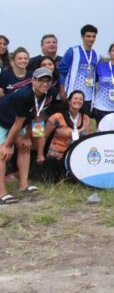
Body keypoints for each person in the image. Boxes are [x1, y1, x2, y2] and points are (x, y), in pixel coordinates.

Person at [0, 68, 55, 203]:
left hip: (19, 121)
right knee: (3, 153)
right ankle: (2, 193)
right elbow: (18, 123)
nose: (45, 83)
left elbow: (38, 115)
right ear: (33, 81)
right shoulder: (24, 96)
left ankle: (24, 185)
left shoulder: (50, 93)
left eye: (48, 80)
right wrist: (7, 145)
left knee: (25, 147)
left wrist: (28, 137)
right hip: (2, 119)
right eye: (41, 80)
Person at [36, 90, 90, 182]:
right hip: (57, 157)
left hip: (75, 157)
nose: (78, 101)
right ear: (69, 101)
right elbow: (43, 136)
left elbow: (87, 139)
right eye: (75, 98)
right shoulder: (57, 117)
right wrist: (40, 155)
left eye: (81, 99)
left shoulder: (85, 118)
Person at [58, 24, 100, 113]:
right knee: (69, 123)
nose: (91, 39)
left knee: (84, 123)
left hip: (87, 97)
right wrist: (62, 91)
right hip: (72, 95)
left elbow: (97, 76)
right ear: (82, 37)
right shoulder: (72, 51)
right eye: (88, 36)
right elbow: (62, 71)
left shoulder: (97, 55)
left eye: (93, 36)